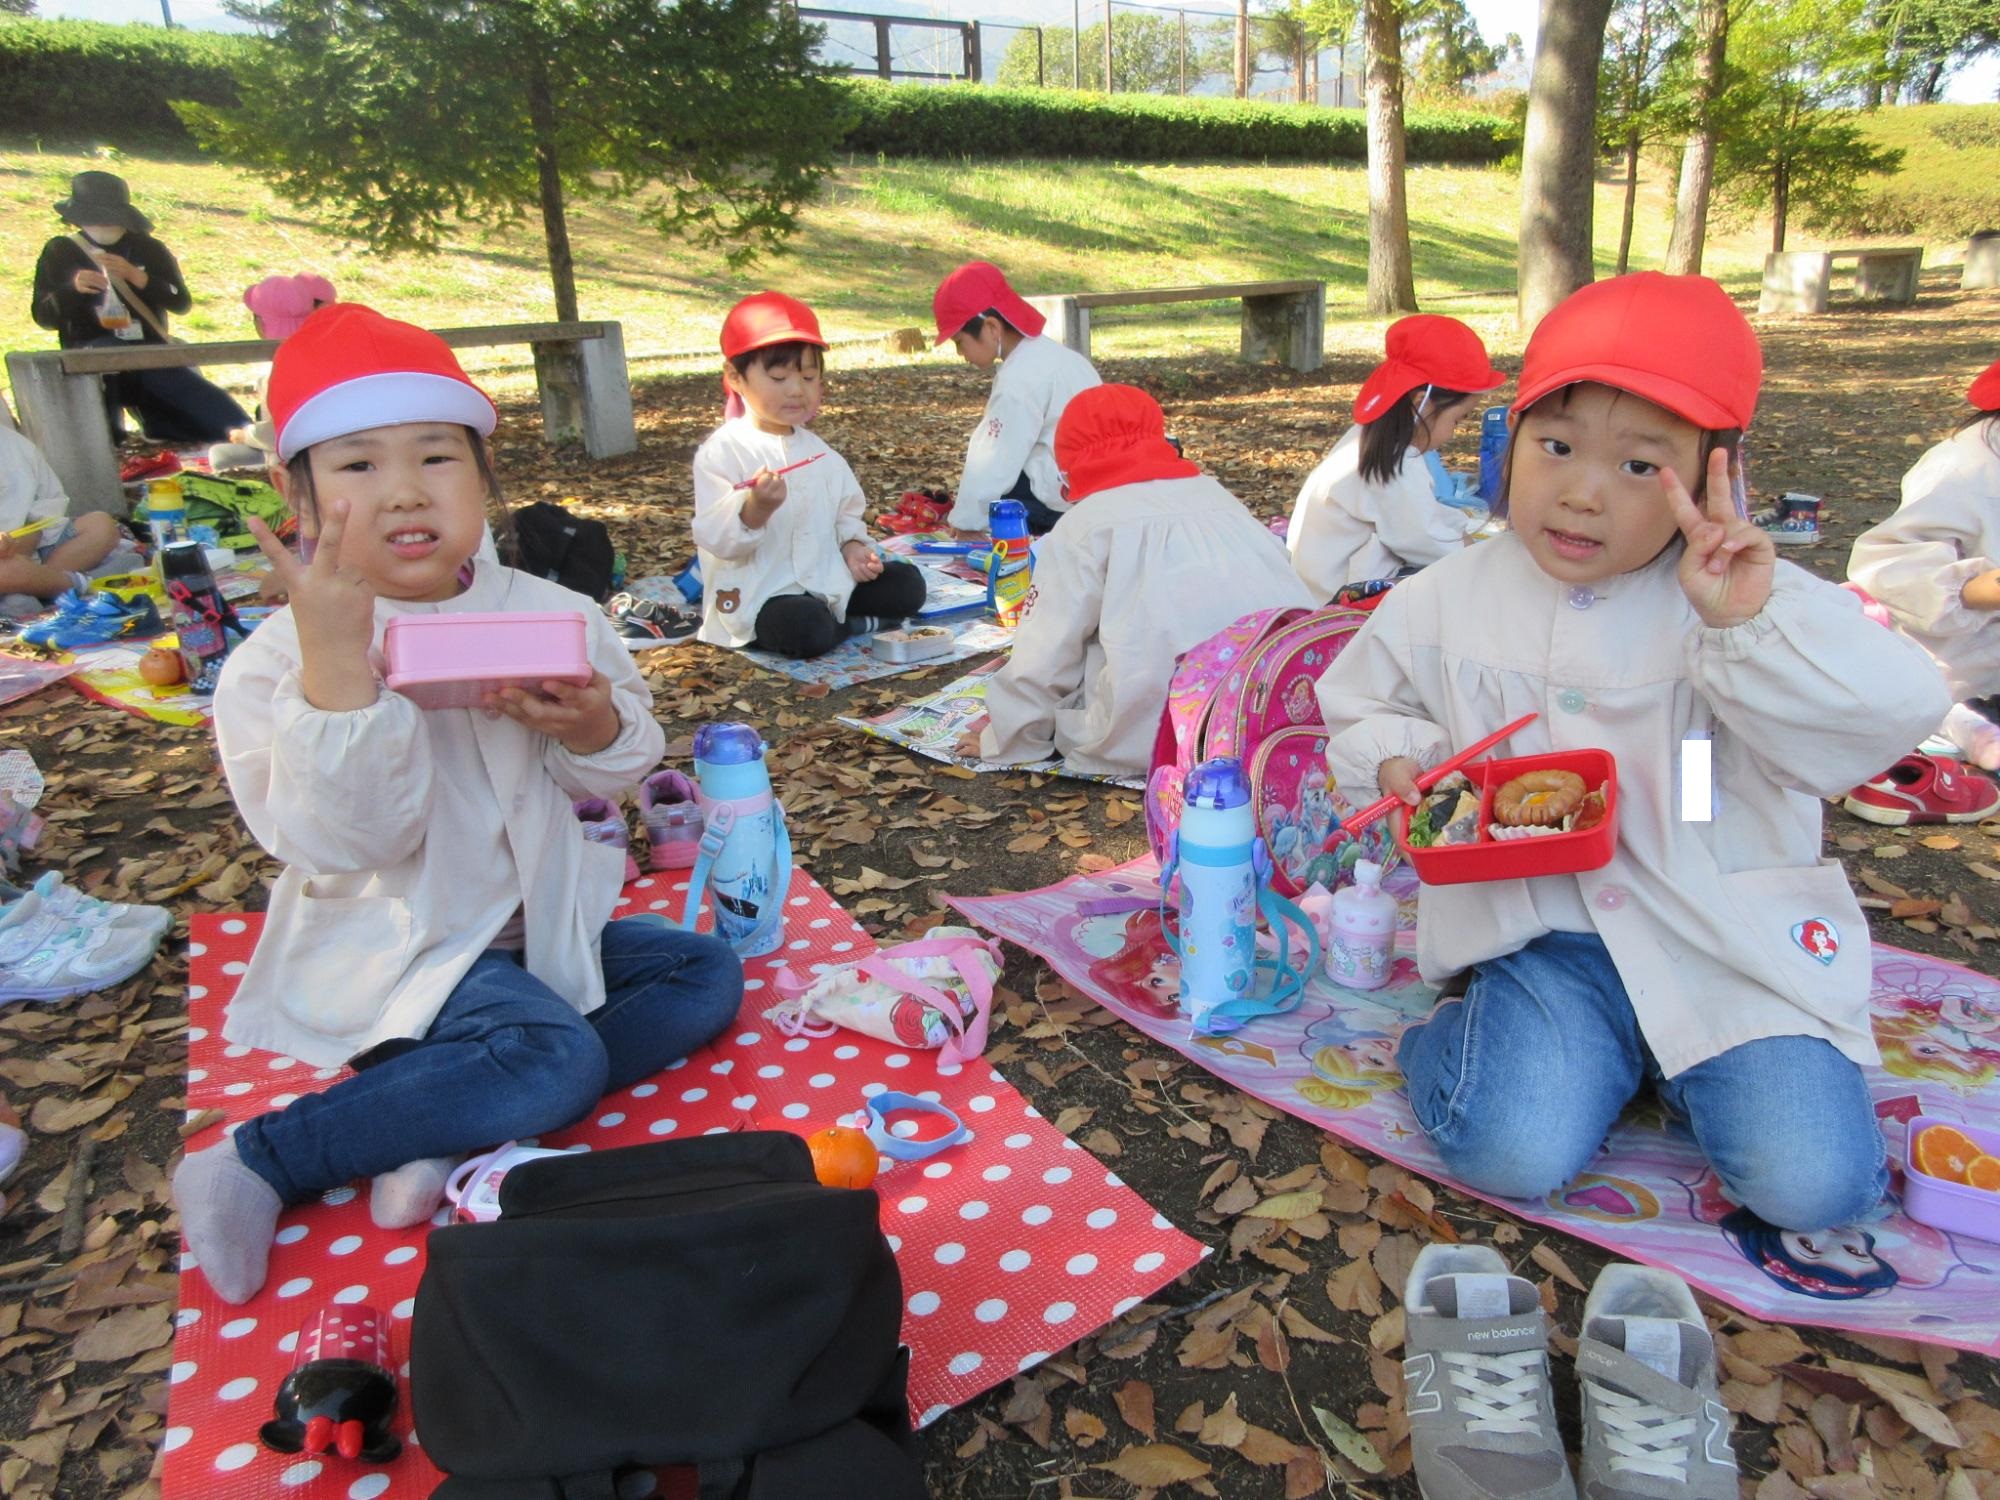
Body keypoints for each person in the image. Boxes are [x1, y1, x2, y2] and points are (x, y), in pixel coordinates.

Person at [1315, 272, 1949, 1234]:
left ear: (1716, 476)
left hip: (1725, 939)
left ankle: (1687, 1069)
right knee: (1510, 1149)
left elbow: (1894, 710)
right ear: (1511, 439)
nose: (1581, 493)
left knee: (1813, 1188)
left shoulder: (1747, 597)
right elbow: (1361, 701)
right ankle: (1479, 1034)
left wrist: (1748, 630)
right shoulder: (1449, 594)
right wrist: (1402, 754)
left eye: (1641, 466)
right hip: (1545, 939)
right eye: (1556, 446)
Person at [174, 305, 742, 1304]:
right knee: (555, 1061)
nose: (402, 492)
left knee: (700, 975)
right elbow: (341, 844)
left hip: (536, 937)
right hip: (404, 952)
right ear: (294, 493)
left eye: (436, 458)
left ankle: (447, 1118)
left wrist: (590, 730)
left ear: (482, 476)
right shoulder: (276, 663)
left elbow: (614, 777)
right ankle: (261, 1157)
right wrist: (342, 670)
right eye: (355, 467)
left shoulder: (553, 612)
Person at [977, 384, 1313, 777]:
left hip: (1157, 736)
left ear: (1068, 464)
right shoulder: (1217, 496)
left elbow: (1045, 651)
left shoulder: (1085, 525)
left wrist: (1009, 738)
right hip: (1276, 710)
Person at [692, 292, 925, 658]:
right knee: (804, 627)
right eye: (779, 376)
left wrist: (853, 550)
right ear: (735, 377)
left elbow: (845, 517)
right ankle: (853, 624)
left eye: (809, 376)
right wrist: (755, 509)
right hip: (764, 592)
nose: (796, 389)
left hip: (825, 578)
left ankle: (843, 617)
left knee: (909, 586)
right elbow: (717, 541)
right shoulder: (724, 451)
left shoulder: (820, 453)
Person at [1847, 357, 2000, 780]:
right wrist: (1974, 588)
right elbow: (1888, 565)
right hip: (1958, 666)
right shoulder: (1967, 465)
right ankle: (1949, 723)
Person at [1285, 314, 1504, 602]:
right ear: (1420, 406)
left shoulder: (1369, 438)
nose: (1454, 432)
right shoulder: (1396, 464)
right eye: (1458, 419)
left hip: (1319, 586)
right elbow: (1431, 541)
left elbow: (1422, 518)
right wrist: (1481, 552)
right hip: (1336, 608)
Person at [29, 172, 251, 446]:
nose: (103, 223)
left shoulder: (149, 249)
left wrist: (140, 278)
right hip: (90, 350)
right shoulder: (60, 251)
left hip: (149, 348)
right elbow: (43, 315)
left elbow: (180, 302)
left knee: (178, 403)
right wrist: (71, 291)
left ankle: (239, 429)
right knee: (106, 433)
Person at [932, 261, 1101, 536]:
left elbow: (993, 457)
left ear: (991, 327)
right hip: (1095, 495)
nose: (960, 354)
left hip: (1056, 506)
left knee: (1001, 480)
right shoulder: (1064, 358)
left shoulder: (1019, 379)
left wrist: (967, 524)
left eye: (960, 342)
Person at [208, 272, 340, 472]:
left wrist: (246, 435)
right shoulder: (328, 351)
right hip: (335, 455)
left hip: (297, 467)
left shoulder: (273, 370)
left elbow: (278, 435)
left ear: (261, 323)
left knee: (219, 456)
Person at [0, 426, 130, 619]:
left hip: (35, 549)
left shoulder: (14, 444)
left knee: (100, 526)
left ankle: (36, 586)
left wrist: (24, 541)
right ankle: (76, 584)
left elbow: (46, 508)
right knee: (6, 573)